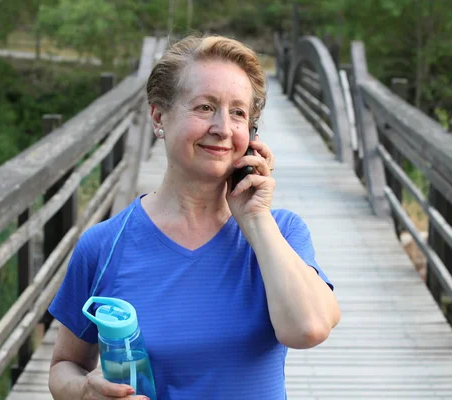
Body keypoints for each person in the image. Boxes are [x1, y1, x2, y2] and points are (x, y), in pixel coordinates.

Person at [47, 34, 340, 400]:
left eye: (238, 113)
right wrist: (86, 391)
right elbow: (63, 366)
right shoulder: (104, 245)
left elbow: (308, 329)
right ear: (158, 117)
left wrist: (255, 220)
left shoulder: (281, 232)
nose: (223, 127)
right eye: (204, 107)